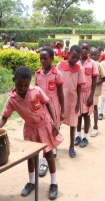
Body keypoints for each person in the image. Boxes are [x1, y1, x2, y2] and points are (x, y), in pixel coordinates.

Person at [0, 66, 62, 199]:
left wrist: (55, 122)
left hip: (44, 126)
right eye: (19, 84)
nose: (22, 87)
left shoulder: (36, 91)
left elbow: (48, 103)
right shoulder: (12, 100)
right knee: (30, 157)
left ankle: (54, 183)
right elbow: (4, 117)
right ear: (14, 80)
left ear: (30, 82)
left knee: (48, 155)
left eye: (26, 85)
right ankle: (31, 182)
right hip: (30, 129)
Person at [35, 47, 65, 177]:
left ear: (52, 59)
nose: (42, 61)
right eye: (41, 58)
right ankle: (44, 160)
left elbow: (61, 94)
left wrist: (62, 110)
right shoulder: (37, 74)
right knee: (43, 133)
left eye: (45, 58)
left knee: (53, 128)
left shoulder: (57, 74)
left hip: (53, 106)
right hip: (41, 108)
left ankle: (51, 151)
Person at [56, 45, 85, 158]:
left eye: (77, 58)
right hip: (60, 99)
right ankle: (55, 145)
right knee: (57, 123)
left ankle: (72, 146)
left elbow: (79, 86)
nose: (75, 60)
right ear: (69, 54)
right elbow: (56, 81)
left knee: (73, 123)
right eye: (73, 57)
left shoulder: (79, 68)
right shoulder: (60, 65)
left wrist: (78, 102)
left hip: (73, 99)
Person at [74, 41, 99, 148]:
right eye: (82, 48)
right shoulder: (76, 63)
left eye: (86, 48)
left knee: (86, 115)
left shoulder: (92, 63)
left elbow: (94, 81)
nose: (84, 50)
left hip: (88, 93)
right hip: (77, 94)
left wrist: (91, 96)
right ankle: (78, 135)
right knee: (78, 115)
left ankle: (86, 137)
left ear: (89, 50)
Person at [89, 47, 105, 137]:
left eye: (95, 55)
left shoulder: (99, 65)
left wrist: (95, 83)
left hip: (95, 91)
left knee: (94, 108)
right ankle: (88, 124)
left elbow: (104, 78)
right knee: (86, 109)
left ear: (98, 56)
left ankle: (95, 127)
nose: (93, 56)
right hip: (87, 91)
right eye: (92, 54)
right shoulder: (88, 64)